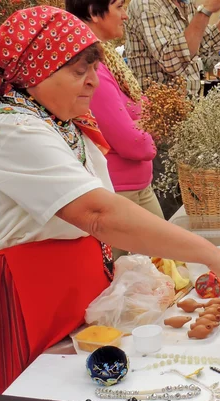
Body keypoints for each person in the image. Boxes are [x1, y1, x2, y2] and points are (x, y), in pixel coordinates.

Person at [0, 7, 220, 401]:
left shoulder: (62, 124)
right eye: (79, 71)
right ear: (35, 68)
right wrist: (214, 257)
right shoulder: (9, 130)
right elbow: (97, 213)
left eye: (94, 68)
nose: (93, 82)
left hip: (64, 295)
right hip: (21, 300)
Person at [66, 0, 163, 261]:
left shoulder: (107, 60)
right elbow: (133, 141)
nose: (126, 16)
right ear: (92, 12)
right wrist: (151, 130)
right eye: (120, 6)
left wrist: (147, 125)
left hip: (134, 186)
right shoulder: (90, 67)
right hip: (117, 192)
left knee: (167, 272)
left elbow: (145, 111)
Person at [125, 0, 220, 95]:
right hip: (159, 111)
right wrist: (206, 10)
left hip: (186, 104)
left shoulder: (185, 4)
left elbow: (208, 43)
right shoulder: (146, 4)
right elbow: (171, 61)